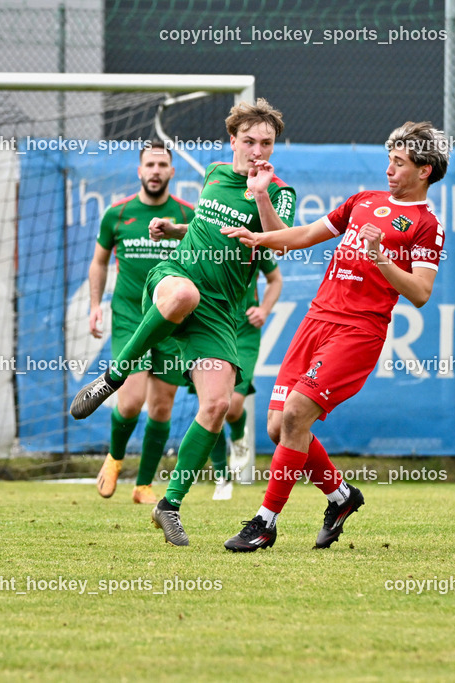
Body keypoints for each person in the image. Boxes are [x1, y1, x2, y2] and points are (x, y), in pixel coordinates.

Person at [70, 99, 297, 546]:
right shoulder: (214, 173)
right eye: (249, 141)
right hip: (177, 279)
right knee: (184, 294)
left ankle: (167, 504)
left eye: (266, 143)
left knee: (217, 405)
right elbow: (203, 226)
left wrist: (262, 194)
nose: (257, 150)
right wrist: (175, 233)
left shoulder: (279, 192)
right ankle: (114, 377)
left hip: (219, 315)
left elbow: (280, 244)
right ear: (233, 141)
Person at [223, 121, 448, 551]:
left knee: (294, 416)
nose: (389, 169)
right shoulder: (363, 200)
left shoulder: (427, 224)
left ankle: (264, 524)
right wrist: (261, 235)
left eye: (399, 163)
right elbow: (305, 235)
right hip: (315, 321)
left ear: (424, 171)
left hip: (358, 332)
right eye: (389, 160)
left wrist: (380, 257)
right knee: (278, 427)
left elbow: (420, 292)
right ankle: (341, 498)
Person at [87, 141, 195, 504]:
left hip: (172, 321)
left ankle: (143, 486)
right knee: (131, 401)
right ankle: (115, 458)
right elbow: (99, 261)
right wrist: (94, 305)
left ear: (171, 172)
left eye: (162, 164)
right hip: (130, 319)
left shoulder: (186, 215)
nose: (155, 171)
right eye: (149, 164)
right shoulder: (117, 215)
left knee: (162, 406)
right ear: (139, 170)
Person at [206, 252, 282, 500]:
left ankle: (239, 438)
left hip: (244, 333)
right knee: (211, 407)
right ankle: (221, 477)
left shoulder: (254, 243)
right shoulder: (204, 240)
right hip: (212, 327)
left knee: (234, 407)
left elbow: (275, 280)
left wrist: (264, 310)